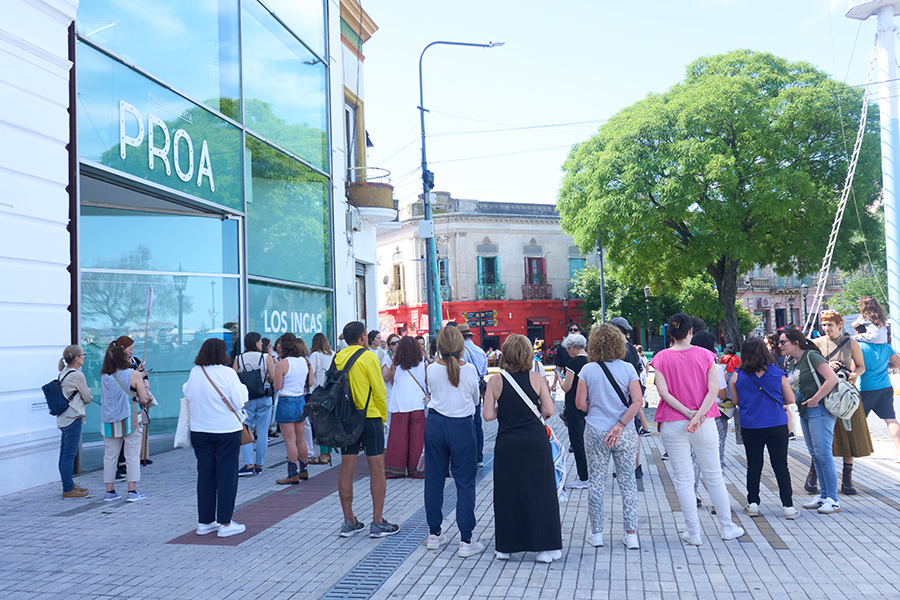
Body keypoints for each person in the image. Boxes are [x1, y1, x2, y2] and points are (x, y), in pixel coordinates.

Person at [650, 314, 744, 545]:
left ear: (670, 333)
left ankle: (693, 532)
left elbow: (662, 392)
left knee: (683, 478)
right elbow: (713, 390)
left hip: (672, 421)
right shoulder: (706, 355)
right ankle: (726, 526)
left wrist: (686, 412)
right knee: (714, 475)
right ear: (691, 331)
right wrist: (698, 415)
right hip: (705, 421)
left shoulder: (660, 358)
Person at [484, 334, 562, 563]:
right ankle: (546, 547)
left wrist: (505, 409)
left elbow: (488, 415)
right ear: (528, 354)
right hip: (534, 442)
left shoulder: (495, 381)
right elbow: (549, 410)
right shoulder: (536, 378)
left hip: (507, 443)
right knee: (541, 492)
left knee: (507, 492)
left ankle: (506, 547)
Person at [575, 324, 643, 549]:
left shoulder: (587, 370)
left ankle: (596, 534)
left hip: (595, 430)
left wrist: (597, 408)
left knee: (596, 482)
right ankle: (631, 534)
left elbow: (579, 404)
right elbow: (637, 401)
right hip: (624, 432)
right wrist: (620, 424)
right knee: (628, 483)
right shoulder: (628, 369)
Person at [424, 327, 484, 557]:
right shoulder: (469, 370)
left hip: (435, 424)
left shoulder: (431, 369)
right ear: (461, 345)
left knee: (434, 479)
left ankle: (434, 533)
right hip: (461, 426)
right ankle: (466, 539)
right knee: (465, 481)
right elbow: (476, 401)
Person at [335, 321, 399, 538]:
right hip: (369, 416)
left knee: (346, 468)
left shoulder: (338, 357)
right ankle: (377, 522)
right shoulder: (368, 356)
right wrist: (383, 416)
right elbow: (379, 390)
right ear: (362, 337)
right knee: (377, 468)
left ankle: (349, 520)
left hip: (347, 419)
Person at [183, 338, 249, 537]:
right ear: (223, 352)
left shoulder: (195, 372)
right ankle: (225, 523)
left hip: (200, 430)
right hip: (225, 430)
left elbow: (187, 392)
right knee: (226, 476)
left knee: (205, 475)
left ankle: (205, 521)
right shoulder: (228, 373)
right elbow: (240, 400)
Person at [729, 338, 797, 519]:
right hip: (776, 424)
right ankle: (788, 507)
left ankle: (753, 504)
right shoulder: (778, 373)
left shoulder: (737, 376)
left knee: (754, 465)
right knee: (781, 466)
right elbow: (790, 399)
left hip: (751, 425)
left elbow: (735, 401)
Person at [779, 328, 841, 514]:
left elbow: (832, 378)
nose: (780, 345)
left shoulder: (811, 356)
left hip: (819, 409)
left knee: (823, 454)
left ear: (795, 343)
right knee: (815, 454)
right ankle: (824, 495)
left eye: (783, 342)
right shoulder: (792, 361)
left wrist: (815, 399)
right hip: (805, 410)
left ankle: (833, 499)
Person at [813, 310, 871, 496]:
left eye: (830, 324)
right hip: (824, 393)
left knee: (849, 435)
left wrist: (851, 375)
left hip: (846, 395)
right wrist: (826, 366)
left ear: (840, 325)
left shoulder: (851, 343)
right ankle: (812, 477)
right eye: (824, 324)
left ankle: (847, 480)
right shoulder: (816, 343)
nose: (826, 328)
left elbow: (861, 366)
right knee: (821, 437)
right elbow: (810, 367)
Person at [100, 342, 150, 502]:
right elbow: (143, 398)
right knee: (132, 455)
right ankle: (132, 491)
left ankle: (110, 491)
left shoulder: (105, 376)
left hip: (109, 420)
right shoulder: (133, 374)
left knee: (110, 456)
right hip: (130, 418)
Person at [855, 300, 900, 462]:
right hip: (885, 386)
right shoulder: (885, 346)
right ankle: (899, 451)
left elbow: (854, 367)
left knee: (858, 421)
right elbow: (897, 364)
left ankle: (858, 450)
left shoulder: (859, 346)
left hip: (865, 387)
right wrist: (885, 365)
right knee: (891, 419)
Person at [272, 333, 314, 485]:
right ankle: (304, 470)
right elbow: (310, 382)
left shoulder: (282, 364)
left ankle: (292, 474)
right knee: (301, 439)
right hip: (300, 400)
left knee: (290, 441)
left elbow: (277, 386)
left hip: (286, 401)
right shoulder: (305, 361)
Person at [609, 317, 648, 477]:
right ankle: (636, 465)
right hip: (633, 392)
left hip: (619, 394)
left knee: (620, 428)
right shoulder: (632, 349)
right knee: (633, 430)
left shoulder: (616, 349)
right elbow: (639, 369)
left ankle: (624, 466)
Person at [385, 336, 428, 478]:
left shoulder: (395, 365)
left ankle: (395, 469)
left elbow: (392, 381)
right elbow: (426, 381)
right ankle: (416, 469)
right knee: (417, 438)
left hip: (400, 404)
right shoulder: (422, 363)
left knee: (398, 437)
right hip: (418, 403)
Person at [234, 332, 275, 477]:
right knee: (262, 432)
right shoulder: (266, 357)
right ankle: (259, 465)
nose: (261, 344)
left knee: (246, 429)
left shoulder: (238, 358)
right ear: (256, 343)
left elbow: (233, 378)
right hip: (264, 396)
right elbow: (273, 378)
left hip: (247, 398)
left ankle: (248, 464)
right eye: (260, 342)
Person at [57, 345, 93, 499]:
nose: (84, 357)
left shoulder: (63, 373)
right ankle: (68, 489)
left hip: (64, 417)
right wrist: (87, 394)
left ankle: (69, 485)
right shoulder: (77, 375)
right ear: (77, 358)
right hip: (73, 418)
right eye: (83, 355)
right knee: (69, 455)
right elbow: (88, 398)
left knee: (64, 454)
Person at [559, 331, 589, 489]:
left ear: (571, 347)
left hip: (574, 405)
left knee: (577, 441)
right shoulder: (592, 360)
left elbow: (567, 387)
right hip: (590, 404)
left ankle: (583, 477)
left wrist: (559, 379)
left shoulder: (573, 363)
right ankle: (592, 473)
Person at [459, 323, 488, 467]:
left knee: (464, 422)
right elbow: (484, 372)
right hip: (477, 387)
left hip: (463, 389)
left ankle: (467, 455)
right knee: (477, 423)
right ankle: (479, 457)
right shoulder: (480, 351)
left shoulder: (460, 352)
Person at [308, 333, 334, 465]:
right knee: (329, 424)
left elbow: (310, 373)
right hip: (332, 392)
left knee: (320, 424)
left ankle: (323, 455)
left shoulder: (315, 355)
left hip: (318, 393)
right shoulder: (333, 354)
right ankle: (328, 453)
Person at [553, 322, 582, 391]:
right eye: (570, 330)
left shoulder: (584, 346)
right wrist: (555, 382)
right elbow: (558, 366)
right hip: (569, 379)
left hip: (582, 379)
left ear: (580, 332)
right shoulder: (562, 347)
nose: (572, 331)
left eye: (575, 330)